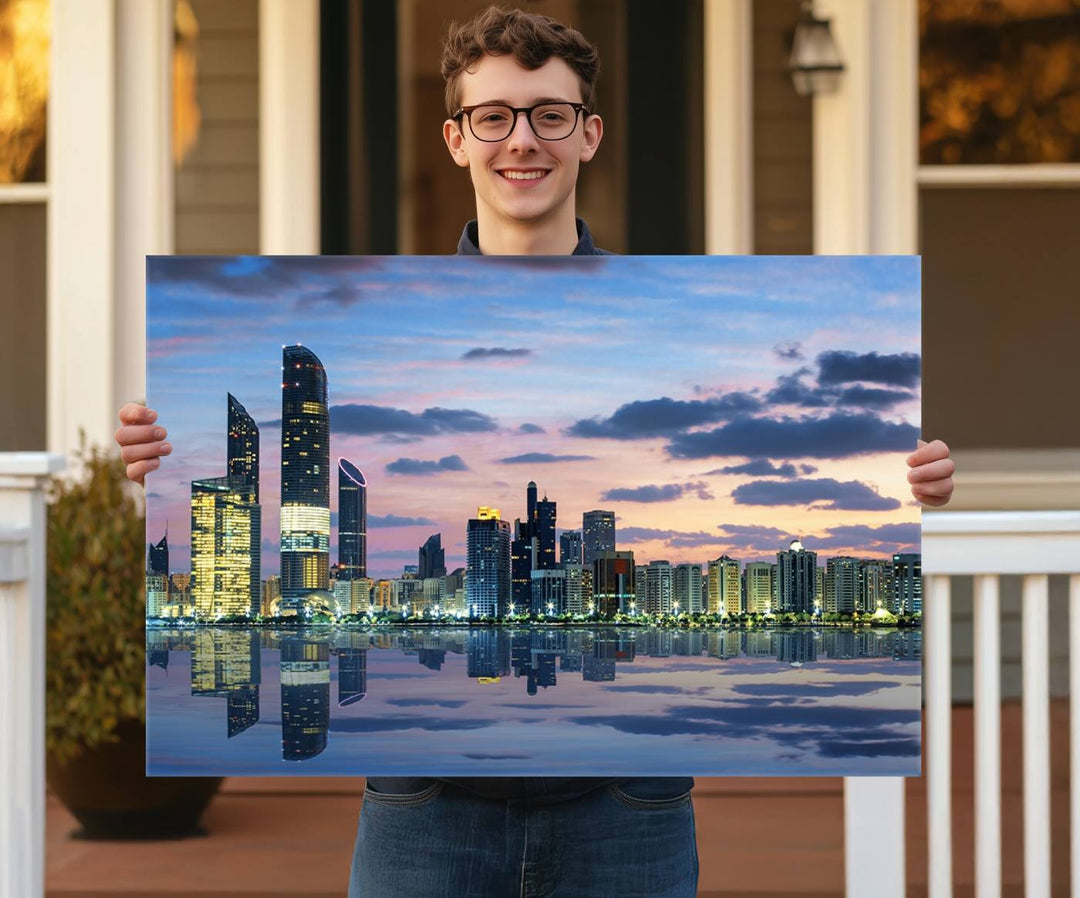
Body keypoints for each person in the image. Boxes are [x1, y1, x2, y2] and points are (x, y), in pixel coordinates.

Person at [116, 6, 955, 896]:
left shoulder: (668, 320)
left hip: (627, 804)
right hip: (423, 803)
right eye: (495, 116)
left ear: (590, 134)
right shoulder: (381, 329)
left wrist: (911, 487)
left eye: (550, 114)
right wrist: (160, 468)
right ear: (455, 139)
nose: (523, 140)